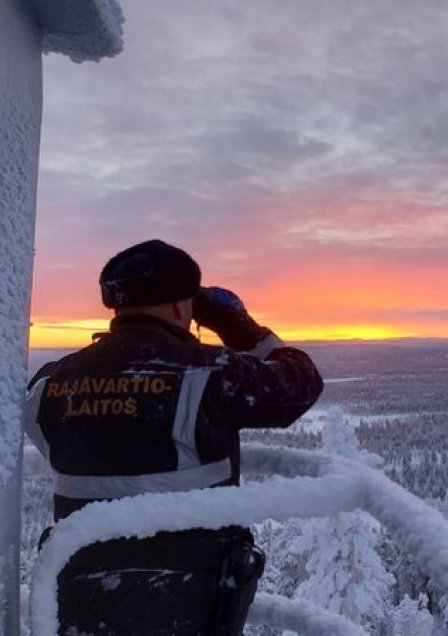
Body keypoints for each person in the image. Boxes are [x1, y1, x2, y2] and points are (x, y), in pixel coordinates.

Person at [24, 238, 324, 635]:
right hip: (190, 598)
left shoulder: (49, 383)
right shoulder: (207, 373)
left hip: (82, 596)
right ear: (184, 306)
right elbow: (301, 382)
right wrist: (245, 332)